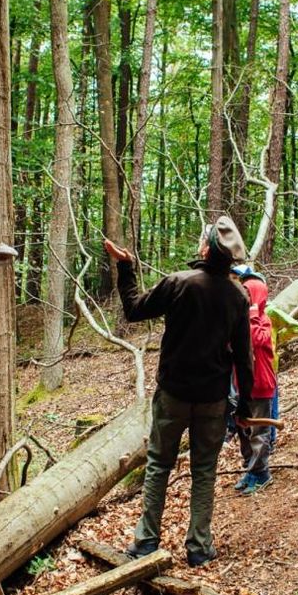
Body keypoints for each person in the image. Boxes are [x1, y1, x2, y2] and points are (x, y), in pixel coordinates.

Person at [106, 217, 253, 568]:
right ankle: (199, 548)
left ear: (205, 249)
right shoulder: (238, 296)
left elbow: (134, 309)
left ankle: (145, 544)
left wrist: (126, 268)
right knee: (205, 470)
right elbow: (244, 358)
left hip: (173, 394)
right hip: (213, 399)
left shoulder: (179, 283)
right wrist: (245, 405)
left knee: (159, 464)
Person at [235, 276, 277, 496]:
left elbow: (259, 340)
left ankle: (261, 473)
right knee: (245, 428)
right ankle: (251, 469)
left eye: (249, 295)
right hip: (243, 385)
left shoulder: (264, 320)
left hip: (261, 383)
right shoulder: (238, 319)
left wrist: (252, 315)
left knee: (259, 431)